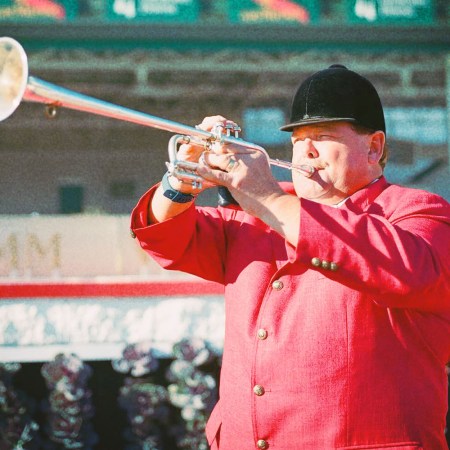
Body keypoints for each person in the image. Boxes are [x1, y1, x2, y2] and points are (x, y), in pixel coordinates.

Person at [130, 65, 450, 449]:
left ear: (374, 147)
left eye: (324, 136)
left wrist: (267, 197)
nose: (307, 151)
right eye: (299, 140)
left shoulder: (417, 210)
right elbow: (165, 237)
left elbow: (406, 269)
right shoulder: (258, 214)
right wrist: (182, 177)